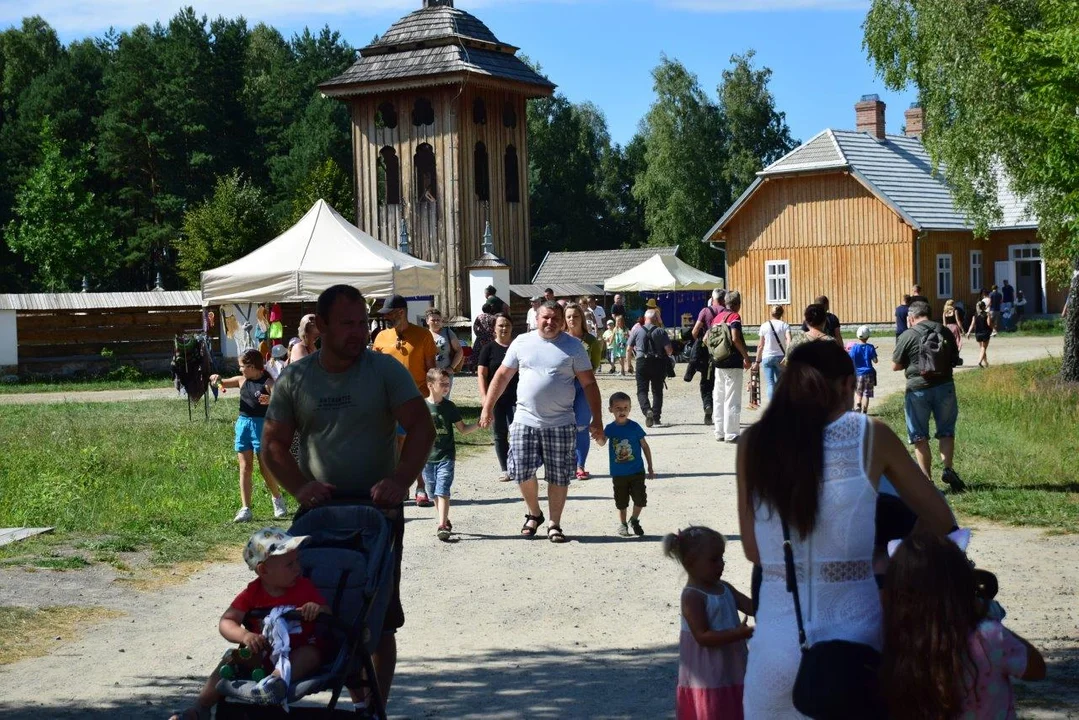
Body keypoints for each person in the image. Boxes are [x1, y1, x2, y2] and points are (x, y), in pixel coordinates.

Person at [737, 340, 957, 718]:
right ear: (844, 386)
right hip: (853, 642)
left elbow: (754, 551)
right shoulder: (869, 435)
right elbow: (940, 519)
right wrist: (888, 554)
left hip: (775, 642)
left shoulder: (752, 443)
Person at [262, 284, 436, 710]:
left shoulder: (384, 371)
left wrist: (400, 479)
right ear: (320, 326)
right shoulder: (297, 379)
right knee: (320, 609)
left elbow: (421, 428)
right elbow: (272, 446)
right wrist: (300, 488)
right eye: (347, 324)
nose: (358, 332)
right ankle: (349, 692)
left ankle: (374, 707)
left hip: (377, 513)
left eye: (362, 322)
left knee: (379, 618)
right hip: (319, 514)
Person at [168, 528, 329, 720]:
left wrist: (316, 609)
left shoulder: (304, 588)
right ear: (263, 570)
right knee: (229, 661)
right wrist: (245, 636)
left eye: (297, 561)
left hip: (296, 651)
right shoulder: (253, 593)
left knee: (310, 655)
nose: (297, 568)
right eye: (289, 564)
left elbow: (329, 614)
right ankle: (199, 708)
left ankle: (275, 683)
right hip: (260, 654)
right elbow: (227, 621)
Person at [880, 532, 1045, 719]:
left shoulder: (894, 640)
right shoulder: (988, 636)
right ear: (964, 582)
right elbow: (1036, 669)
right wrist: (985, 613)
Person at [478, 301, 604, 543]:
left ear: (562, 321)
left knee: (558, 476)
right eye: (546, 317)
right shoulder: (522, 342)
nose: (550, 322)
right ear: (536, 318)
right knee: (521, 470)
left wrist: (596, 418)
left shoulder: (574, 347)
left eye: (556, 318)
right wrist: (487, 407)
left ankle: (555, 523)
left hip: (560, 421)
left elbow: (589, 383)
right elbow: (502, 376)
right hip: (525, 419)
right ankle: (534, 513)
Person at [664, 526, 753, 720]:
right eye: (714, 560)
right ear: (690, 562)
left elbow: (753, 607)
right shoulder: (692, 597)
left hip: (733, 671)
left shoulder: (725, 588)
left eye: (722, 558)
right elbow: (703, 636)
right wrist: (740, 634)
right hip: (707, 678)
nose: (721, 564)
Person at [893, 300, 965, 492]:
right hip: (945, 387)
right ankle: (948, 469)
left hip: (918, 389)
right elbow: (954, 359)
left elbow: (896, 365)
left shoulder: (907, 335)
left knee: (919, 435)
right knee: (947, 430)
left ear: (911, 317)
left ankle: (926, 480)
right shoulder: (945, 331)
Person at [373, 294, 438, 507]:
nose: (386, 318)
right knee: (393, 446)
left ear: (401, 312)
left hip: (415, 399)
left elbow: (431, 369)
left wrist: (434, 396)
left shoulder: (423, 335)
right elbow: (373, 369)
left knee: (414, 444)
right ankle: (401, 487)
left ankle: (420, 487)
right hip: (387, 401)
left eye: (390, 313)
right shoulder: (381, 337)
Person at [210, 349, 289, 523]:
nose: (240, 370)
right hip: (243, 426)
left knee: (264, 468)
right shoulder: (241, 380)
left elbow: (283, 402)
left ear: (252, 367)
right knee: (245, 468)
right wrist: (216, 378)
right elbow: (222, 382)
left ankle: (277, 499)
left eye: (242, 366)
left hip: (262, 427)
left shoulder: (268, 382)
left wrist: (271, 401)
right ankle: (246, 508)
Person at [423, 368, 478, 541]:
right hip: (426, 458)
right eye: (443, 383)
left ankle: (442, 525)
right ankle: (444, 518)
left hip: (446, 456)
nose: (447, 387)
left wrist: (479, 424)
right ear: (430, 385)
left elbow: (463, 429)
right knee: (432, 492)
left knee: (442, 489)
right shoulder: (421, 406)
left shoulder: (449, 407)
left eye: (448, 384)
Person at [599, 391, 654, 537]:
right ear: (610, 409)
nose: (622, 411)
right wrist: (596, 434)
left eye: (625, 407)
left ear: (630, 409)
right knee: (621, 502)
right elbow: (602, 442)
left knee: (640, 499)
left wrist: (650, 466)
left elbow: (645, 446)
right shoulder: (610, 428)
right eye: (618, 408)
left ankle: (634, 520)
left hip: (637, 471)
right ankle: (623, 524)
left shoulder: (635, 427)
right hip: (619, 473)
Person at [565, 302, 605, 479]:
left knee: (581, 426)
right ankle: (567, 464)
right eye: (569, 316)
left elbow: (595, 364)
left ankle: (580, 465)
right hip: (563, 387)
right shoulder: (560, 339)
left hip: (583, 387)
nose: (572, 319)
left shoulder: (590, 341)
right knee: (564, 427)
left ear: (582, 318)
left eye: (575, 316)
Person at [477, 315, 517, 482]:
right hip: (497, 399)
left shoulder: (518, 347)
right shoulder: (488, 349)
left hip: (517, 397)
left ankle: (518, 465)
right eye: (500, 325)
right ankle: (505, 468)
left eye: (507, 324)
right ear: (494, 329)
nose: (504, 328)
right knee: (500, 433)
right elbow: (481, 374)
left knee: (517, 432)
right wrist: (485, 397)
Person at [710, 291, 752, 443]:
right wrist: (746, 357)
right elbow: (735, 338)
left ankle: (719, 431)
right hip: (733, 362)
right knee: (732, 398)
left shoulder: (717, 318)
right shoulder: (735, 317)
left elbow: (707, 338)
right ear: (737, 304)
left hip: (718, 362)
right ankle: (732, 433)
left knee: (719, 397)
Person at [627, 308, 673, 428]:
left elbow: (629, 349)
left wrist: (629, 364)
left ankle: (647, 410)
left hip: (642, 361)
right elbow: (669, 351)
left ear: (645, 318)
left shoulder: (636, 330)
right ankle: (656, 417)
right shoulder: (660, 331)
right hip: (657, 362)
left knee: (642, 390)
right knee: (657, 391)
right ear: (656, 319)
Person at [691, 289, 726, 425]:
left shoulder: (705, 311)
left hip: (707, 352)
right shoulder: (728, 313)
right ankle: (721, 415)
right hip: (724, 352)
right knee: (721, 383)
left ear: (712, 298)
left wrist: (700, 339)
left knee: (706, 383)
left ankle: (707, 406)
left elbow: (694, 332)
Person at [753, 304, 790, 404]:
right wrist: (787, 355)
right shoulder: (784, 325)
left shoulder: (764, 326)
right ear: (782, 314)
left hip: (767, 357)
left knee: (770, 384)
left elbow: (760, 345)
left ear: (771, 313)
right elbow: (789, 341)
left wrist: (757, 361)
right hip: (780, 358)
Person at [425, 308, 463, 395]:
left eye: (438, 320)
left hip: (445, 373)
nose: (436, 322)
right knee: (429, 398)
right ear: (427, 321)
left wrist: (451, 367)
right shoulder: (424, 334)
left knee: (443, 399)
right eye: (433, 320)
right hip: (429, 374)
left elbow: (459, 350)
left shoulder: (447, 332)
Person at [849, 325, 878, 414]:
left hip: (858, 373)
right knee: (866, 394)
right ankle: (864, 411)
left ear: (857, 336)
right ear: (868, 336)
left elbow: (850, 359)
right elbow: (875, 361)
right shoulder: (870, 347)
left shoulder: (854, 348)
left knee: (858, 392)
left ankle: (858, 406)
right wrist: (873, 353)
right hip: (869, 373)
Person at [471, 302, 498, 372]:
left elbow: (475, 326)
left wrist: (477, 334)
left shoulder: (479, 317)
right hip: (490, 338)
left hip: (481, 337)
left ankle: (474, 367)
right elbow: (495, 328)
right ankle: (489, 367)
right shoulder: (493, 317)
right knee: (490, 352)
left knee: (477, 352)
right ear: (490, 309)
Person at [967, 301, 992, 368]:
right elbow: (989, 324)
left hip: (978, 333)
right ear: (984, 307)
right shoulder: (987, 314)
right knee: (983, 348)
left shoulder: (975, 315)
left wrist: (968, 332)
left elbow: (972, 324)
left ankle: (986, 363)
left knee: (982, 348)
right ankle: (979, 362)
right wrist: (993, 328)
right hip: (985, 332)